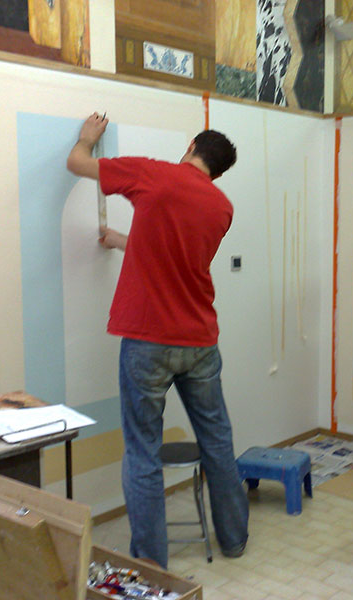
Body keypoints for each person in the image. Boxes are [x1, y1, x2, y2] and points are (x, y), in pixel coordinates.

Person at [66, 112, 249, 568]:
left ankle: (151, 563)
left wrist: (87, 139)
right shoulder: (221, 207)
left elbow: (77, 163)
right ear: (220, 171)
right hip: (199, 341)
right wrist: (121, 241)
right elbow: (176, 253)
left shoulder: (153, 173)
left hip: (148, 340)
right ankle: (234, 539)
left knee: (142, 452)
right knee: (218, 441)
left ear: (190, 146)